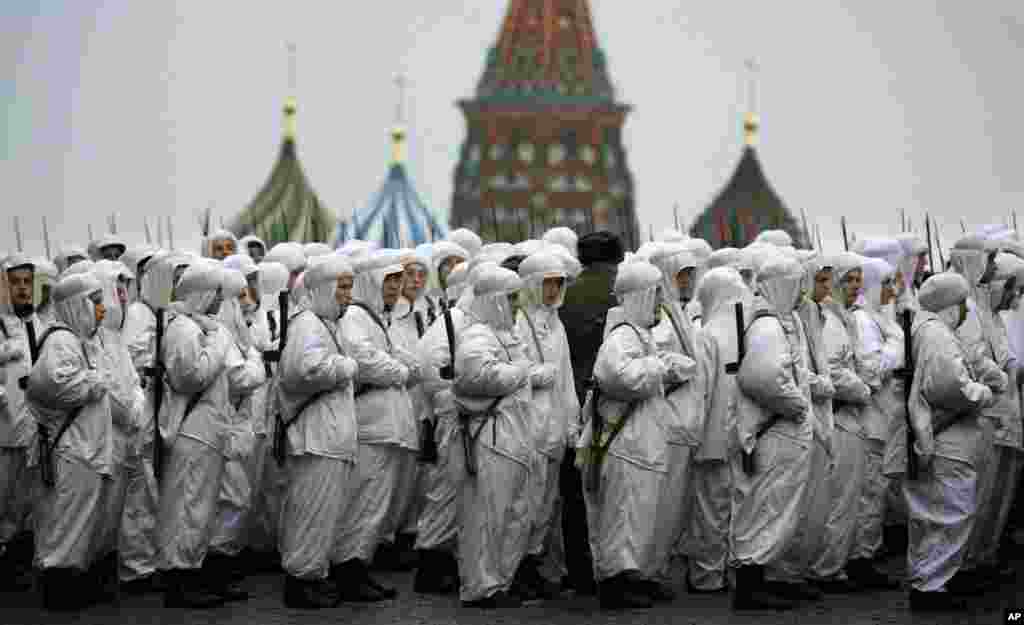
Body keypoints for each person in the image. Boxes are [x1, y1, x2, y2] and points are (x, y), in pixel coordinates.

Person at [578, 258, 680, 610]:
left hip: (640, 441)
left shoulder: (640, 335)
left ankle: (633, 575)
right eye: (654, 296)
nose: (659, 304)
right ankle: (614, 582)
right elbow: (619, 377)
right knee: (621, 516)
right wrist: (660, 367)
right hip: (624, 444)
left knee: (639, 515)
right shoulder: (621, 337)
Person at [903, 272, 993, 612]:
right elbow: (949, 386)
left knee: (935, 513)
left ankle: (930, 581)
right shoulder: (936, 334)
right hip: (947, 440)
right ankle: (931, 585)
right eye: (962, 304)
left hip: (942, 437)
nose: (966, 310)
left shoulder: (929, 331)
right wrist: (981, 392)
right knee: (948, 512)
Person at [333, 250, 420, 601]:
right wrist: (398, 372)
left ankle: (359, 566)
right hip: (370, 428)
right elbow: (366, 360)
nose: (396, 287)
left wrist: (400, 368)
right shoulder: (355, 316)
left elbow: (409, 361)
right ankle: (348, 570)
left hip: (385, 428)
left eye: (399, 280)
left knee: (375, 506)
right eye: (390, 280)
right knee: (362, 502)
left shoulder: (376, 319)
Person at [730, 253, 813, 610]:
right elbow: (761, 378)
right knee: (765, 508)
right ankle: (750, 585)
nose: (801, 295)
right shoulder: (767, 326)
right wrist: (796, 405)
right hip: (774, 431)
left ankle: (762, 578)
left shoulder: (775, 322)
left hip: (777, 432)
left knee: (773, 508)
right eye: (796, 286)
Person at [275, 255, 359, 609]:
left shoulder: (325, 324)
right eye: (341, 286)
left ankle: (313, 574)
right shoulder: (308, 325)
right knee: (311, 511)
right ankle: (301, 580)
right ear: (323, 287)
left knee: (324, 513)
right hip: (316, 438)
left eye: (349, 286)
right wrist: (347, 365)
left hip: (328, 437)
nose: (347, 294)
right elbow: (304, 370)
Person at [25, 272, 111, 610]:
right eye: (96, 301)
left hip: (81, 447)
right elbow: (51, 386)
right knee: (64, 521)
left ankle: (72, 584)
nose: (103, 309)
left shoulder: (76, 339)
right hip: (70, 448)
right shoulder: (61, 340)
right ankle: (59, 591)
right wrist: (95, 381)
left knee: (76, 520)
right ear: (78, 305)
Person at [453, 262, 533, 609]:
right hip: (492, 438)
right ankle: (480, 584)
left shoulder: (506, 335)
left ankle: (501, 579)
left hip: (512, 437)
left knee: (513, 515)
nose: (516, 306)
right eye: (511, 299)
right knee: (487, 515)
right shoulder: (476, 336)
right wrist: (520, 371)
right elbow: (477, 376)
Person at [156, 259, 234, 608]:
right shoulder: (184, 329)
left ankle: (193, 570)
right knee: (186, 507)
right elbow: (189, 377)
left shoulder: (203, 327)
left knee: (200, 508)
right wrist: (218, 343)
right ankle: (179, 578)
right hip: (192, 430)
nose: (220, 299)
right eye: (215, 292)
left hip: (208, 430)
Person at [557, 231, 624, 595]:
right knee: (617, 492)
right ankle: (616, 569)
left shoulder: (566, 294)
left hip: (574, 403)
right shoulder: (624, 292)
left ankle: (580, 571)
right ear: (619, 257)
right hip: (615, 405)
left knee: (575, 493)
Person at [807, 252, 874, 592]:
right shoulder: (831, 322)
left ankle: (838, 563)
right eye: (847, 279)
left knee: (849, 497)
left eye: (858, 278)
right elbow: (833, 370)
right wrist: (863, 387)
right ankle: (828, 567)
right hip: (839, 418)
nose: (855, 286)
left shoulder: (840, 318)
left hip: (848, 417)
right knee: (838, 499)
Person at [514, 251, 578, 600]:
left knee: (545, 503)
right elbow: (510, 371)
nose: (553, 289)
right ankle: (518, 566)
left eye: (558, 282)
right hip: (528, 426)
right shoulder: (517, 322)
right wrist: (536, 376)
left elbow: (566, 378)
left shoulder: (557, 323)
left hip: (553, 427)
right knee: (525, 501)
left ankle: (534, 563)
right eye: (547, 282)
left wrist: (572, 422)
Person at [645, 243, 701, 600]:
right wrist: (683, 372)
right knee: (661, 506)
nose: (687, 281)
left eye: (689, 274)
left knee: (674, 506)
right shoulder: (661, 316)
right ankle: (649, 573)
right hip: (669, 423)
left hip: (682, 422)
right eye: (681, 275)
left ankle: (656, 570)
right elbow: (659, 366)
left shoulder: (676, 311)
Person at [413, 258, 469, 595]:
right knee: (444, 493)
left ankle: (443, 561)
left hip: (459, 416)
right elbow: (432, 370)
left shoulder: (463, 320)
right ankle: (431, 565)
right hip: (449, 418)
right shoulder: (450, 322)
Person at [0, 254, 47, 591]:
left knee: (30, 499)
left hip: (36, 427)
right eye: (14, 282)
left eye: (26, 282)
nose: (21, 289)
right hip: (4, 428)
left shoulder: (40, 324)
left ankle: (22, 562)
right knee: (4, 499)